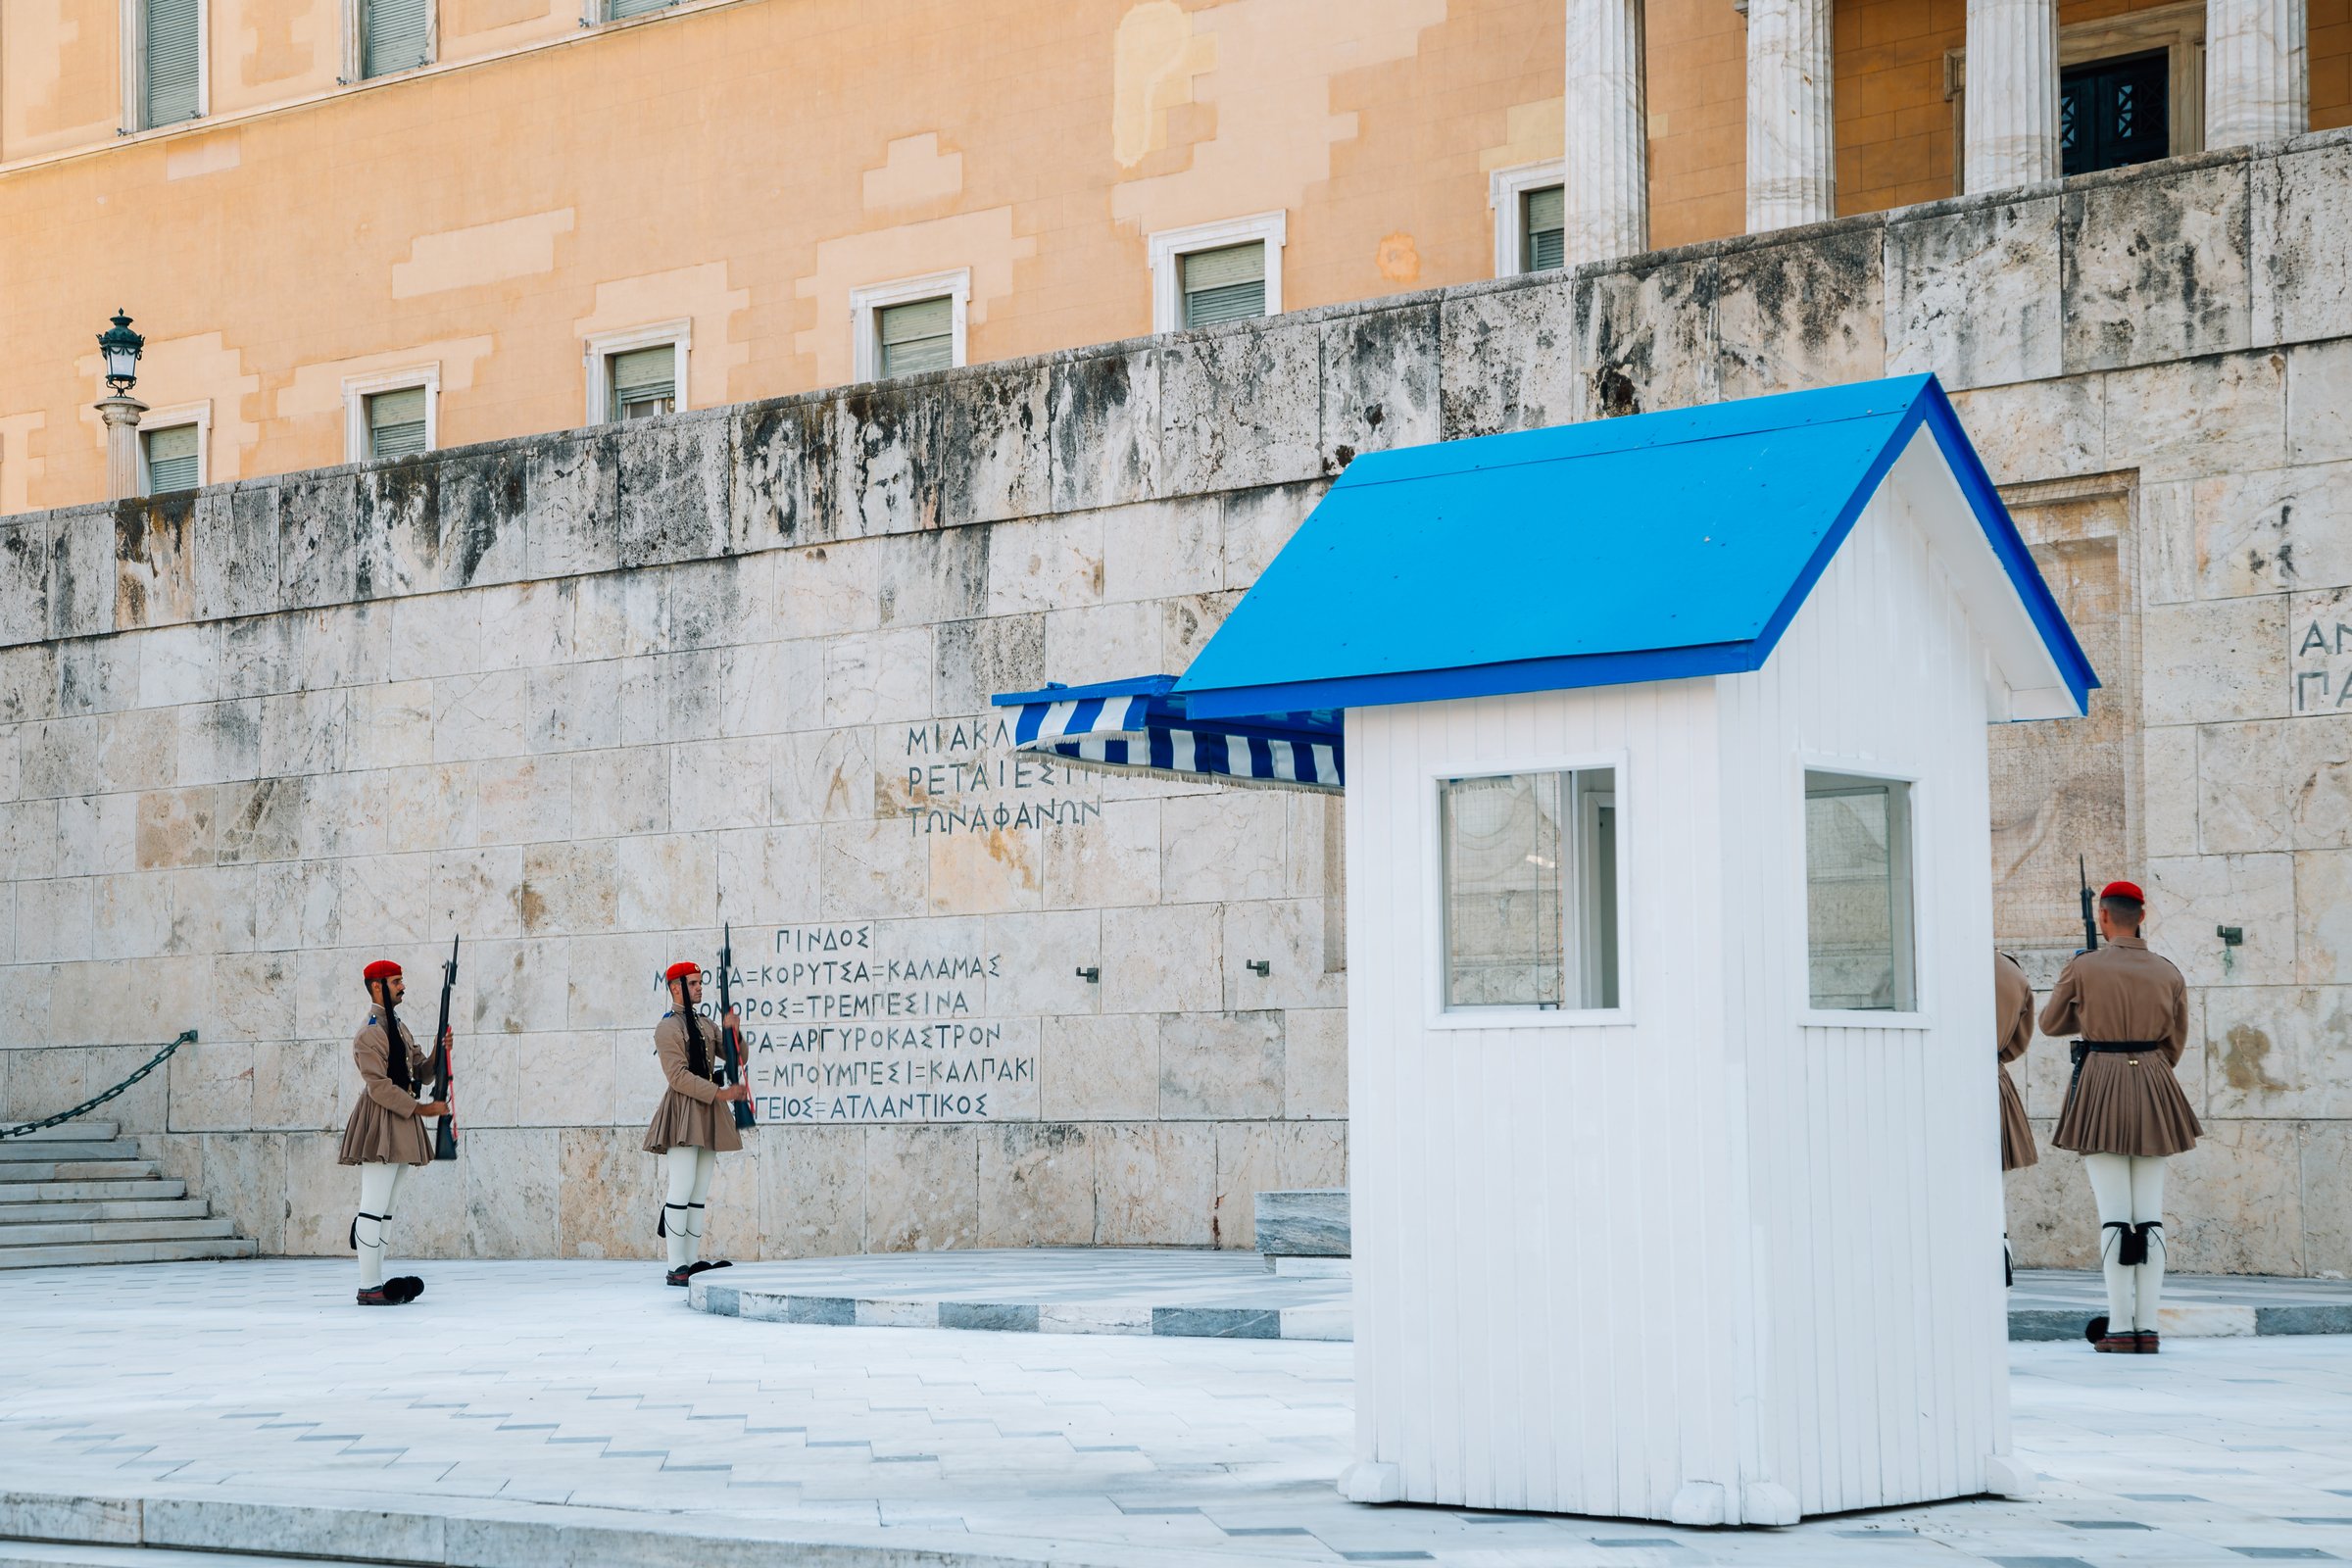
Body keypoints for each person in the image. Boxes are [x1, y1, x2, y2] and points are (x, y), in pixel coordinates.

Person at [2039, 881, 2198, 1353]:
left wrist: (2091, 1012)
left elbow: (2050, 1024)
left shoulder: (2084, 966)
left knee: (2114, 1217)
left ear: (2103, 918)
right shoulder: (2167, 971)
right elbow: (2175, 1038)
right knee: (2149, 1216)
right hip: (2153, 1080)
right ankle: (2147, 1328)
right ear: (2141, 917)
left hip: (2101, 1080)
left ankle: (2120, 1327)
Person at [338, 959, 448, 1307]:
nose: (403, 987)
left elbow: (421, 1072)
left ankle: (376, 1280)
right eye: (396, 981)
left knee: (387, 1208)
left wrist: (438, 1051)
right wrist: (422, 1109)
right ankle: (368, 1285)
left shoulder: (398, 1026)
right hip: (382, 1119)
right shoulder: (370, 1032)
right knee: (372, 1206)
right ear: (377, 987)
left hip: (401, 1118)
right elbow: (379, 1087)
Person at [642, 960, 749, 1288]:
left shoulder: (704, 1023)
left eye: (701, 983)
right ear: (675, 987)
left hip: (708, 1109)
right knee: (683, 1184)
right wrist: (721, 1093)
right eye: (692, 984)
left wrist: (733, 1031)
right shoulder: (668, 1028)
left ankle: (690, 1259)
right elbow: (677, 1076)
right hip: (685, 1109)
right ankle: (676, 1265)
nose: (700, 988)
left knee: (699, 1189)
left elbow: (737, 1057)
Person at [1994, 951, 2035, 1287]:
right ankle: (1999, 1272)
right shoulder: (2011, 972)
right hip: (1992, 1081)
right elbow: (2019, 1041)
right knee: (1995, 1193)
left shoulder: (1920, 961)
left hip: (1936, 1081)